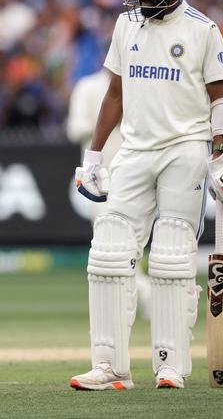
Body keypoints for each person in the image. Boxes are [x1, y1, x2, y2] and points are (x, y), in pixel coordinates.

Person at [70, 0, 223, 390]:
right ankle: (109, 366)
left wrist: (222, 159)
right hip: (134, 148)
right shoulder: (126, 23)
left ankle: (170, 364)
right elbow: (115, 93)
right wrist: (92, 155)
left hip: (185, 148)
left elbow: (220, 99)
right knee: (108, 251)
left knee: (171, 254)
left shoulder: (204, 30)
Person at [66, 68, 151, 321]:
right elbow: (75, 129)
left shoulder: (141, 82)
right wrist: (112, 118)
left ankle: (139, 303)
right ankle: (146, 300)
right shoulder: (88, 86)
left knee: (133, 245)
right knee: (110, 245)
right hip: (102, 181)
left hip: (138, 175)